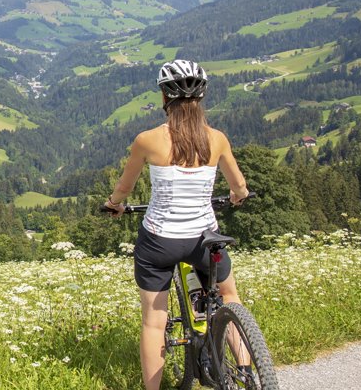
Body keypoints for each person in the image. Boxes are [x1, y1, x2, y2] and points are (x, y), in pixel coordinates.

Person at [102, 59, 250, 390]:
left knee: (154, 322)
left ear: (164, 97)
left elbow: (123, 189)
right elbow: (239, 187)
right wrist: (237, 198)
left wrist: (114, 205)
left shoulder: (147, 140)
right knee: (229, 296)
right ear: (201, 97)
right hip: (204, 239)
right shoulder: (217, 139)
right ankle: (246, 370)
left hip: (160, 242)